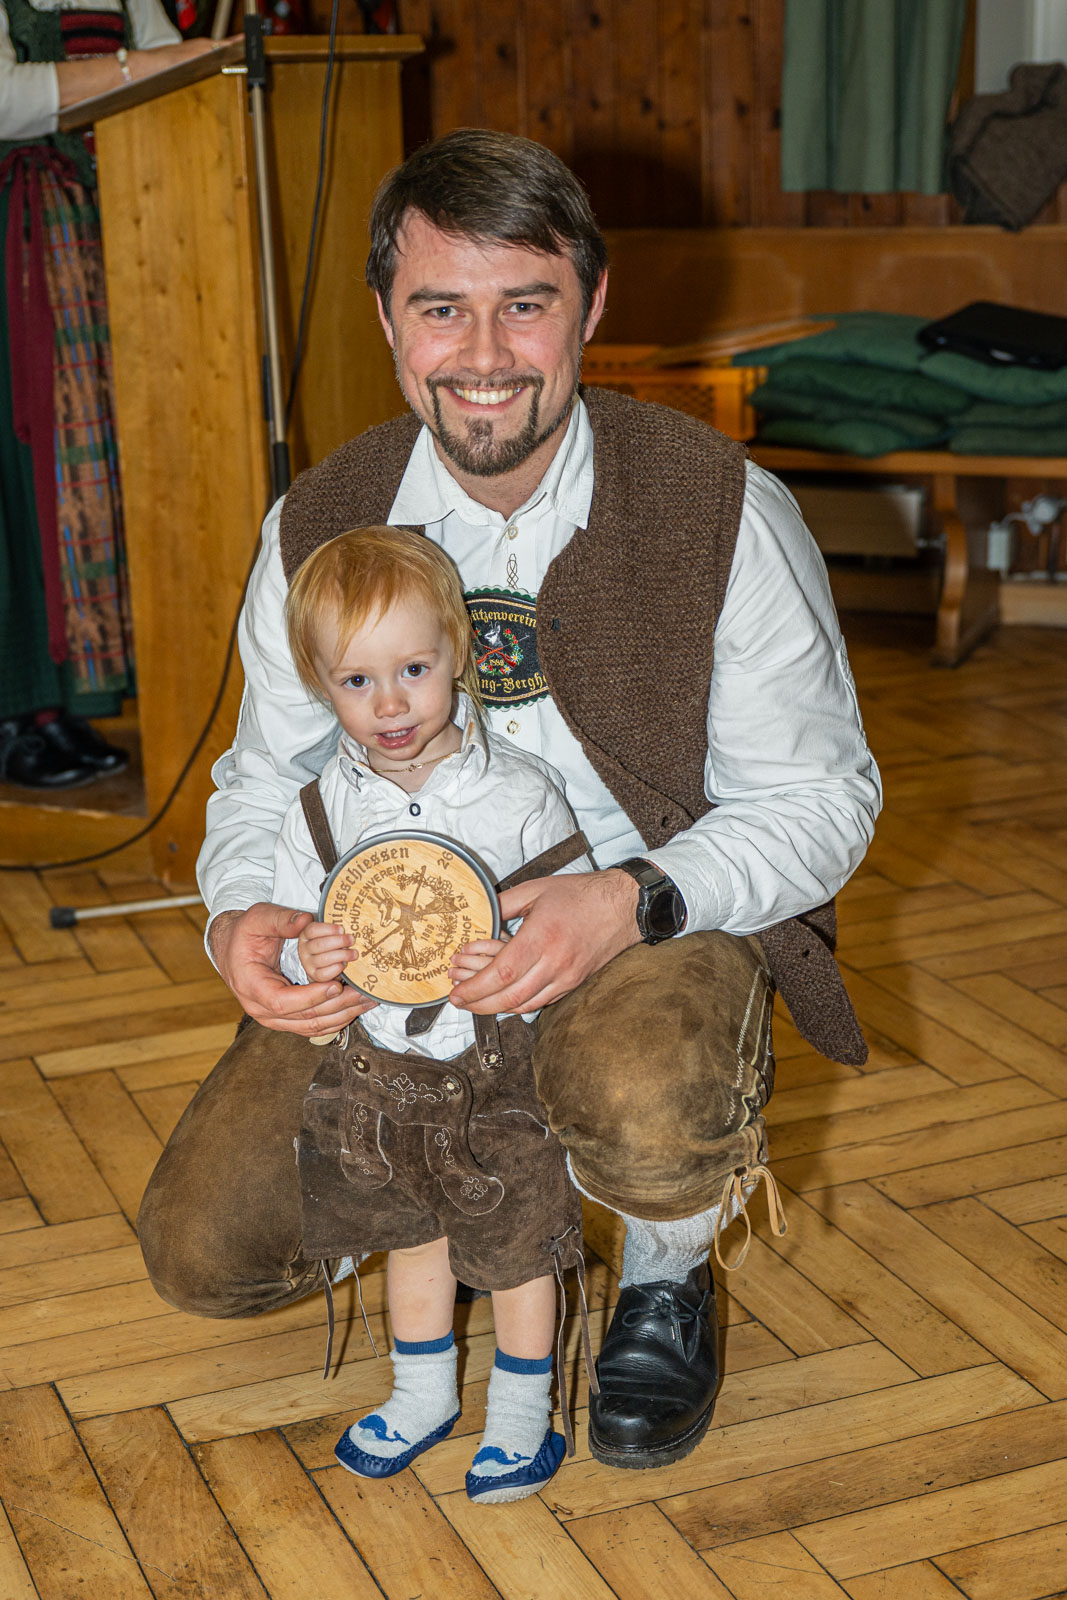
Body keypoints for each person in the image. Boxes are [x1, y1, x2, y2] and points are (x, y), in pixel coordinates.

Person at [139, 128, 881, 1473]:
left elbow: (824, 798)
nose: (481, 351)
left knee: (647, 1110)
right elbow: (263, 773)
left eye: (523, 303)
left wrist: (633, 898)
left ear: (589, 306)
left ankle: (660, 1265)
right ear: (385, 320)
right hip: (390, 952)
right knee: (209, 1256)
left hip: (637, 915)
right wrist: (239, 914)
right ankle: (469, 1199)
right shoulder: (320, 521)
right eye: (440, 307)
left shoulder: (723, 511)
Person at [273, 523, 591, 1501]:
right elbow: (292, 930)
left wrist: (522, 952)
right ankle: (422, 1391)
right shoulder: (319, 811)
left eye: (412, 667)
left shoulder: (519, 794)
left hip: (500, 1068)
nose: (391, 702)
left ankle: (520, 1409)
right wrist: (310, 953)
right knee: (408, 1231)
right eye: (355, 680)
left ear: (458, 651)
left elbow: (570, 911)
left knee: (516, 1243)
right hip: (378, 1074)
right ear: (322, 685)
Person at [0, 0, 214, 788]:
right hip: (13, 230)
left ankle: (67, 704)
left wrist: (160, 64)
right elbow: (5, 97)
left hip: (107, 215)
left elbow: (184, 65)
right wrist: (134, 69)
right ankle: (17, 707)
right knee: (23, 464)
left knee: (82, 465)